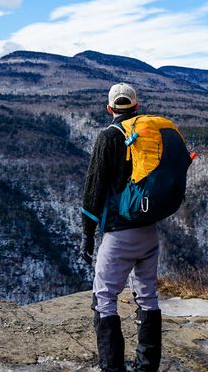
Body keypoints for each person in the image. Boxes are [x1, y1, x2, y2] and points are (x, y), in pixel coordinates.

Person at [79, 82, 162, 372]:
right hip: (149, 230)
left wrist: (87, 233)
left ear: (109, 108)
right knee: (148, 297)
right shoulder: (151, 134)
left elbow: (94, 188)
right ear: (137, 107)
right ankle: (147, 367)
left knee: (104, 299)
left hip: (118, 233)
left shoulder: (108, 137)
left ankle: (113, 370)